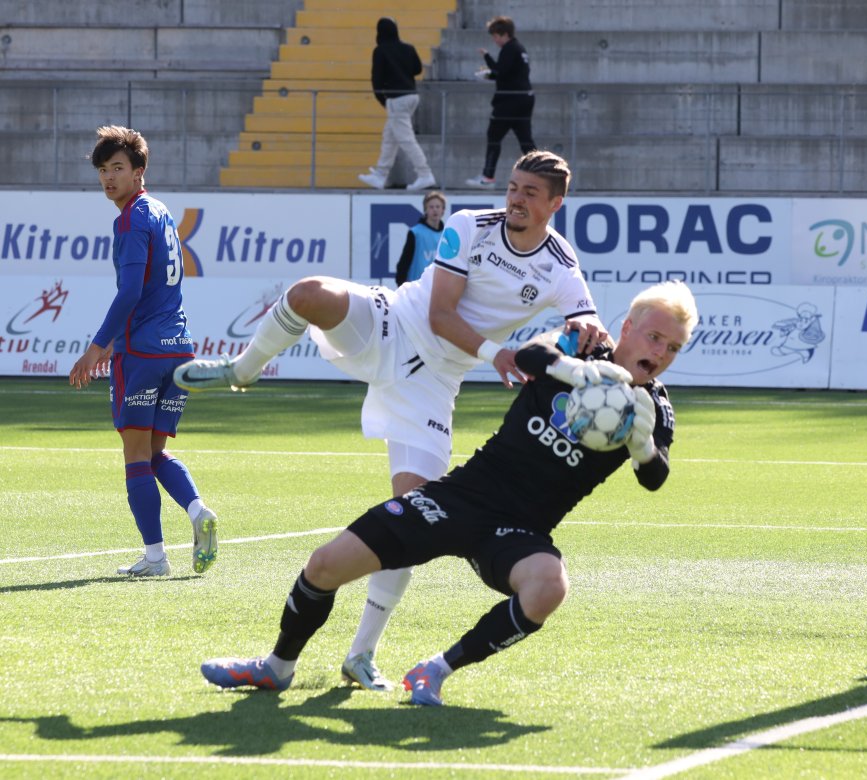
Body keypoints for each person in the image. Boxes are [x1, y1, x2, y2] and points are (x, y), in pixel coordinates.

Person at [174, 149, 605, 691]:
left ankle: (361, 654)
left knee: (412, 520)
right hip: (392, 323)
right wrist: (498, 353)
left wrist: (587, 329)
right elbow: (439, 314)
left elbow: (585, 318)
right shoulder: (470, 226)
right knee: (308, 293)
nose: (516, 199)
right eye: (513, 187)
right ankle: (242, 369)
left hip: (431, 385)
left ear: (555, 203)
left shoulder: (560, 263)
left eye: (530, 193)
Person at [199, 281, 699, 704]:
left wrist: (642, 444)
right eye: (653, 337)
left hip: (519, 529)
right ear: (628, 329)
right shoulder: (583, 345)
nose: (659, 354)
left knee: (549, 586)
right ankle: (277, 666)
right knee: (326, 565)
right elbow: (530, 354)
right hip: (463, 496)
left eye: (672, 348)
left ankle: (435, 670)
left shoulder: (654, 408)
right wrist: (574, 371)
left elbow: (655, 478)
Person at [68, 125, 218, 578]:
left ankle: (156, 558)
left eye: (118, 168)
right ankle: (197, 512)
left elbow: (130, 291)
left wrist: (96, 348)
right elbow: (155, 287)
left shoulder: (131, 219)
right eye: (102, 170)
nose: (108, 178)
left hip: (144, 353)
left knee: (135, 455)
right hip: (178, 349)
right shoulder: (160, 211)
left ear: (138, 172)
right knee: (154, 453)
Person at [358, 17, 436, 191]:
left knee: (406, 139)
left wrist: (383, 100)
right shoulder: (408, 48)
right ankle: (381, 174)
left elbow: (376, 79)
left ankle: (424, 174)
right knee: (390, 137)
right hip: (411, 96)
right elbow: (417, 69)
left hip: (396, 99)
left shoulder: (380, 50)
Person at [465, 16, 536, 188]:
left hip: (509, 101)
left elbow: (500, 72)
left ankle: (487, 176)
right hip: (524, 99)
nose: (494, 40)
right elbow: (509, 73)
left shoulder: (509, 49)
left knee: (494, 137)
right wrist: (491, 71)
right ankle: (540, 173)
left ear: (504, 34)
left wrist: (487, 61)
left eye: (496, 36)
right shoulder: (519, 48)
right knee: (526, 141)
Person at [395, 190, 446, 286]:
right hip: (417, 287)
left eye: (438, 207)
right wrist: (401, 285)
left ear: (443, 210)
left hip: (439, 288)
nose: (435, 210)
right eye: (431, 207)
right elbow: (404, 263)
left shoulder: (447, 234)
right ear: (425, 210)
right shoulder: (415, 233)